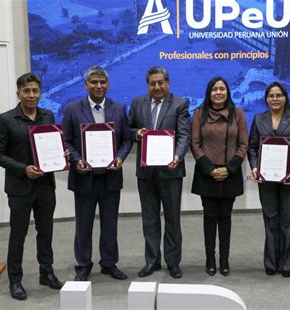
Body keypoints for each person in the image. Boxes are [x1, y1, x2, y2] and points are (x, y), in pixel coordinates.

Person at [0, 73, 65, 300]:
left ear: (40, 92)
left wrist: (60, 155)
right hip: (19, 187)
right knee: (18, 235)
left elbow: (52, 145)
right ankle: (15, 280)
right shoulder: (6, 120)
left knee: (46, 232)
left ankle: (47, 272)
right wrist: (23, 169)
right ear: (18, 94)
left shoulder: (48, 115)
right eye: (27, 91)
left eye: (35, 91)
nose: (31, 95)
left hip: (45, 186)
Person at [62, 66, 133, 281]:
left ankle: (109, 264)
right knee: (83, 224)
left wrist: (120, 158)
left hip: (111, 176)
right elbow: (66, 140)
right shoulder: (72, 109)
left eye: (103, 82)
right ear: (86, 85)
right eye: (94, 82)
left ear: (108, 84)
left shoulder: (119, 108)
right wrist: (77, 161)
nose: (99, 86)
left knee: (110, 224)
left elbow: (127, 139)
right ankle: (83, 265)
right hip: (85, 176)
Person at [128, 66, 191, 279]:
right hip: (146, 173)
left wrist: (178, 156)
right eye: (152, 83)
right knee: (149, 219)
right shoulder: (137, 103)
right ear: (148, 84)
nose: (156, 87)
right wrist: (136, 133)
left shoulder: (180, 104)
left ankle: (173, 262)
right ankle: (152, 261)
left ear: (167, 83)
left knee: (172, 219)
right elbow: (128, 129)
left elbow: (184, 135)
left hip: (171, 171)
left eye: (160, 82)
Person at [248, 82, 290, 277]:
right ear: (266, 99)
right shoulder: (258, 119)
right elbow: (253, 148)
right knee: (271, 220)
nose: (274, 99)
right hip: (266, 179)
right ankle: (271, 262)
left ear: (285, 98)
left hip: (289, 178)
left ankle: (288, 264)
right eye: (271, 96)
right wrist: (255, 167)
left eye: (278, 95)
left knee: (289, 221)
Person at [191, 77, 248, 276]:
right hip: (207, 174)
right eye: (214, 89)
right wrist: (210, 168)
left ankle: (224, 260)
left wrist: (229, 168)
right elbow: (195, 144)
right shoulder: (199, 113)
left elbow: (243, 145)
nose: (218, 92)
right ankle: (210, 259)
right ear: (209, 92)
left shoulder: (238, 113)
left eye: (222, 89)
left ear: (227, 92)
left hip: (230, 173)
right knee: (209, 217)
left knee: (225, 218)